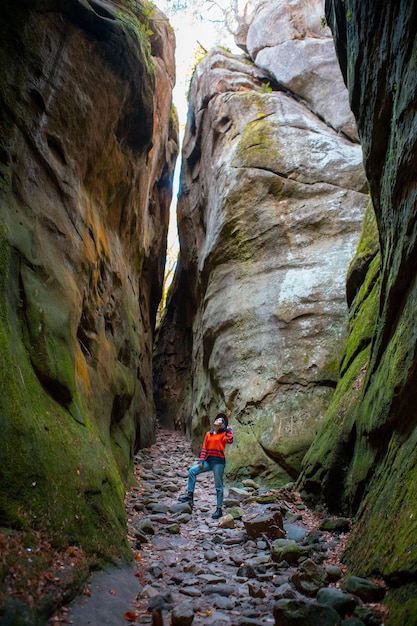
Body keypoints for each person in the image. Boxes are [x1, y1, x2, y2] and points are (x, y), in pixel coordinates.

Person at [178, 413, 233, 519]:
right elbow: (204, 448)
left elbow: (230, 440)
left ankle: (219, 509)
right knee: (192, 471)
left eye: (220, 420)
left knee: (218, 486)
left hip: (219, 462)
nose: (217, 421)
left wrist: (228, 430)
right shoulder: (209, 434)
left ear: (223, 424)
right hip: (208, 461)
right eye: (216, 419)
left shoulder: (224, 434)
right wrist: (202, 461)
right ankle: (189, 496)